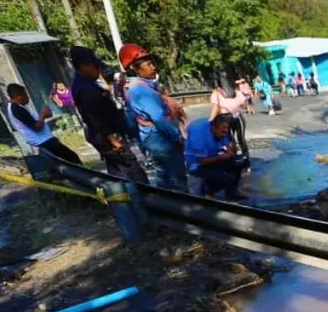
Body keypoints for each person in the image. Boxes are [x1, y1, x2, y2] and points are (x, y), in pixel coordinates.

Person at [69, 46, 148, 183]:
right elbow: (94, 118)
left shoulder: (86, 83)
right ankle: (143, 199)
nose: (99, 70)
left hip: (107, 134)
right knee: (131, 172)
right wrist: (112, 139)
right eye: (95, 66)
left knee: (118, 173)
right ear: (84, 67)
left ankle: (127, 199)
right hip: (109, 137)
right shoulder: (86, 90)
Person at [119, 43, 187, 190]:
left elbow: (131, 120)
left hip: (150, 138)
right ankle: (184, 209)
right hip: (161, 139)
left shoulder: (131, 87)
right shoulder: (141, 90)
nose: (153, 67)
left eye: (152, 63)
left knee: (163, 176)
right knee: (177, 178)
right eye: (148, 65)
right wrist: (177, 137)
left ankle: (164, 207)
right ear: (135, 68)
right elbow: (159, 118)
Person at [4, 83, 83, 165]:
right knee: (72, 159)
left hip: (45, 140)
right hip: (43, 141)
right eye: (25, 95)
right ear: (18, 97)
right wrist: (43, 115)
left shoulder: (19, 106)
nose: (28, 98)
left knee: (66, 161)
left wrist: (44, 115)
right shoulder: (17, 109)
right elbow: (37, 127)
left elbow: (35, 122)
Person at [184, 114, 247, 200]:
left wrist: (231, 150)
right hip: (198, 164)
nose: (224, 135)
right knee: (225, 178)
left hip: (213, 159)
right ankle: (207, 189)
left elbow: (228, 145)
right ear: (214, 128)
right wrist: (221, 157)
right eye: (222, 132)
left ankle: (232, 192)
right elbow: (203, 161)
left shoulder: (222, 130)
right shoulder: (199, 135)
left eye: (226, 132)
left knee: (239, 163)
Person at [209, 84, 250, 159]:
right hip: (236, 117)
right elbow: (244, 106)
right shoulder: (236, 92)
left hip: (225, 118)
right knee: (240, 139)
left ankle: (235, 159)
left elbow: (215, 108)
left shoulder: (216, 93)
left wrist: (210, 120)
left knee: (230, 140)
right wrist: (245, 98)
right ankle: (245, 159)